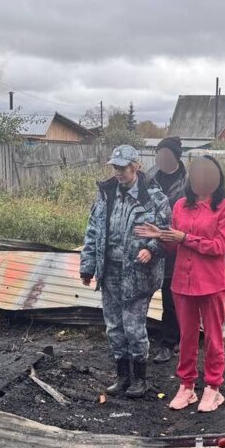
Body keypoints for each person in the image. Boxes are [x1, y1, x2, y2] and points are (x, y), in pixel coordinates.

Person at [139, 156, 225, 412]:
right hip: (183, 282)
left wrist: (186, 237)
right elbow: (173, 245)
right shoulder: (180, 206)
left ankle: (213, 388)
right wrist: (160, 236)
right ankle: (187, 386)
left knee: (214, 338)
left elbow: (220, 247)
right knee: (187, 337)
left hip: (211, 283)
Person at [80, 144, 171, 399]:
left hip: (139, 273)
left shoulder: (154, 197)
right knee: (114, 326)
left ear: (136, 167)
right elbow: (93, 231)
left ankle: (140, 378)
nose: (118, 173)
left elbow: (166, 232)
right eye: (115, 167)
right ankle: (122, 376)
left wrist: (152, 249)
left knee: (134, 326)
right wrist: (88, 266)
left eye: (122, 168)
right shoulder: (106, 194)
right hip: (109, 270)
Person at [149, 137, 188, 364]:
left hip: (176, 246)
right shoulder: (149, 177)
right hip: (152, 244)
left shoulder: (188, 181)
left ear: (176, 156)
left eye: (166, 153)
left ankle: (170, 342)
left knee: (172, 297)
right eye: (159, 152)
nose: (162, 157)